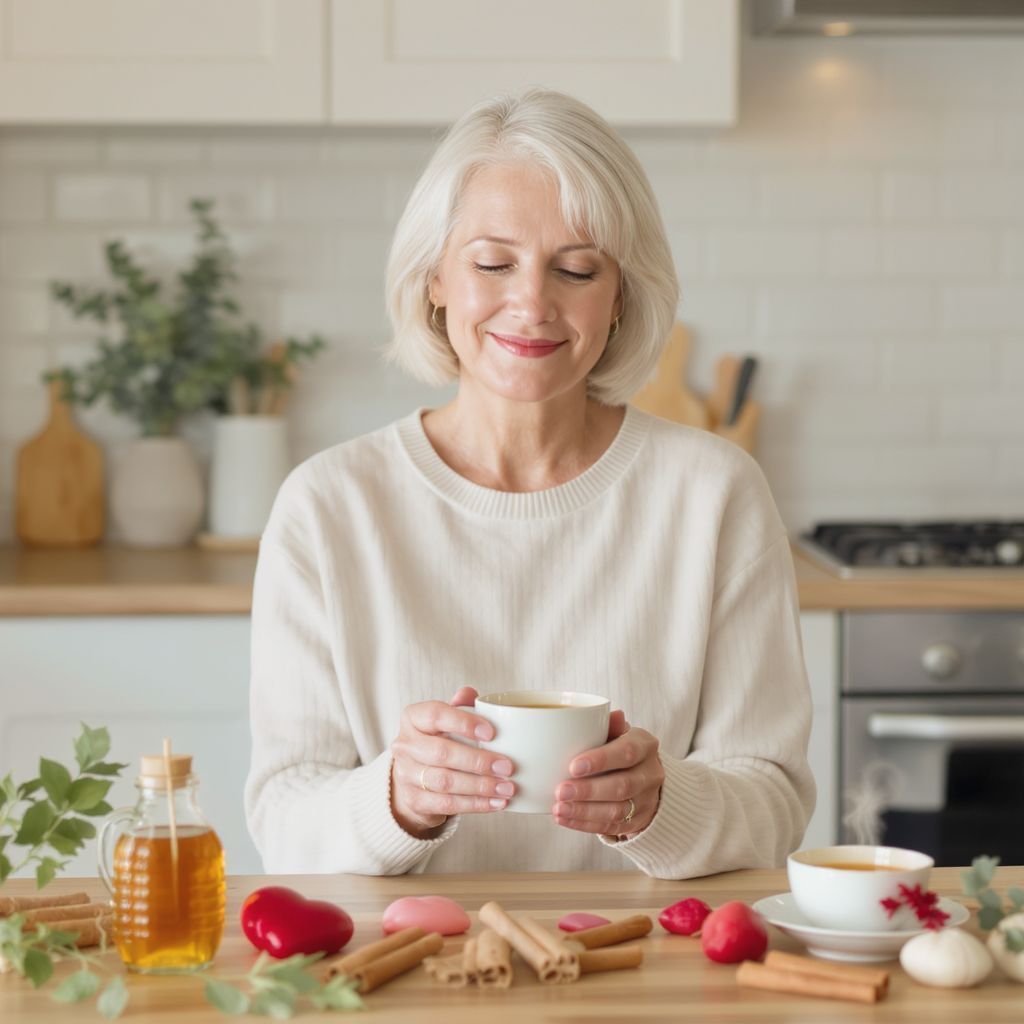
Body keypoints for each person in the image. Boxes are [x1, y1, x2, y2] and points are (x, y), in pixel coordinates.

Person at [245, 87, 815, 878]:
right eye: (492, 263)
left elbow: (775, 799)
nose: (532, 304)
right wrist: (399, 800)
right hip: (409, 975)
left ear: (620, 296)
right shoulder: (330, 505)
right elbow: (282, 816)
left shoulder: (714, 494)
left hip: (645, 978)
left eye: (577, 269)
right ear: (435, 279)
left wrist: (658, 805)